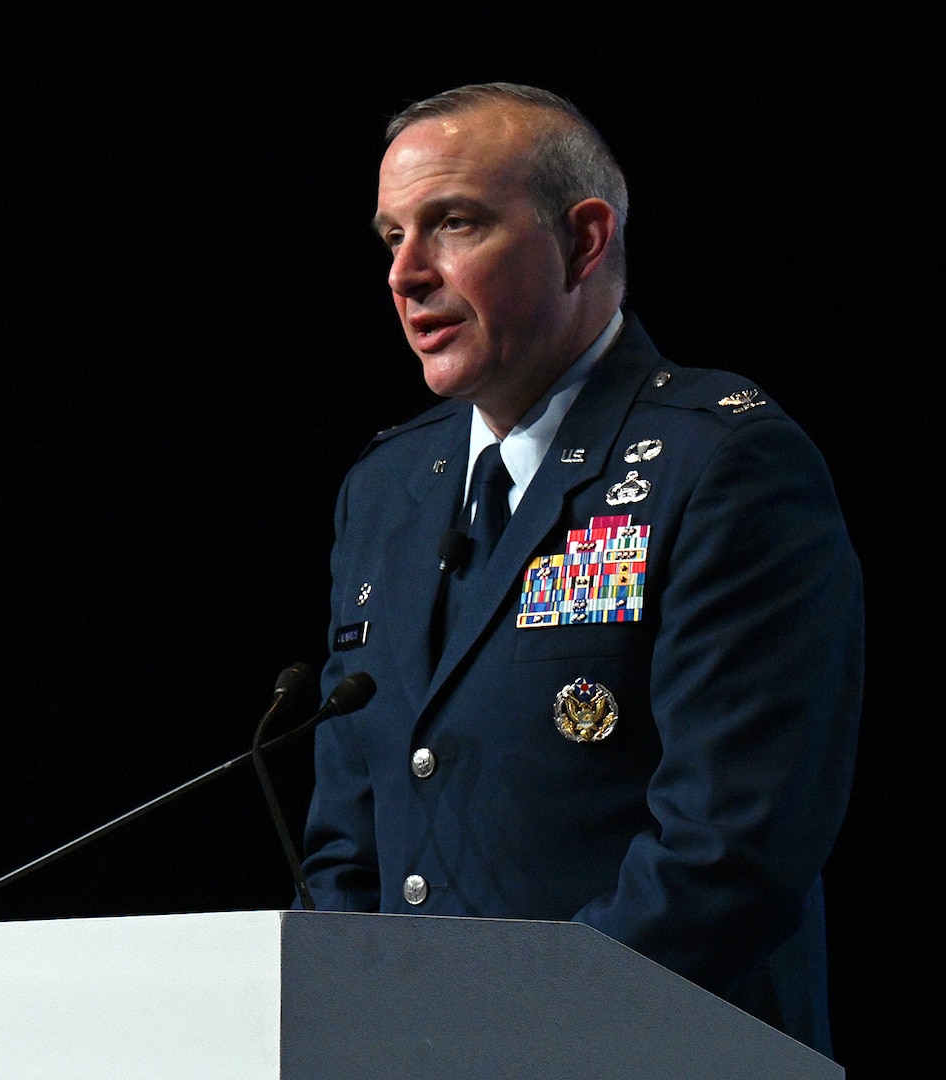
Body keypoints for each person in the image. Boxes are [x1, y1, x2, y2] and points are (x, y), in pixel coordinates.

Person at [300, 82, 862, 1057]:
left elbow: (727, 857)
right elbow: (347, 849)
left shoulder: (719, 464)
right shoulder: (386, 487)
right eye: (391, 237)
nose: (406, 274)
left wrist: (514, 1044)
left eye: (454, 224)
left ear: (584, 240)